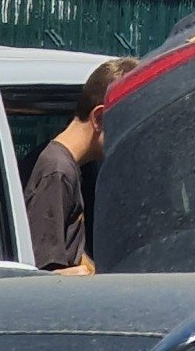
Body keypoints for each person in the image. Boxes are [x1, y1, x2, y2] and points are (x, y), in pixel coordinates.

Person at [24, 58, 134, 274]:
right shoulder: (56, 172)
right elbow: (43, 276)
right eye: (126, 123)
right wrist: (86, 276)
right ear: (100, 118)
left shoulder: (69, 166)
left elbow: (70, 248)